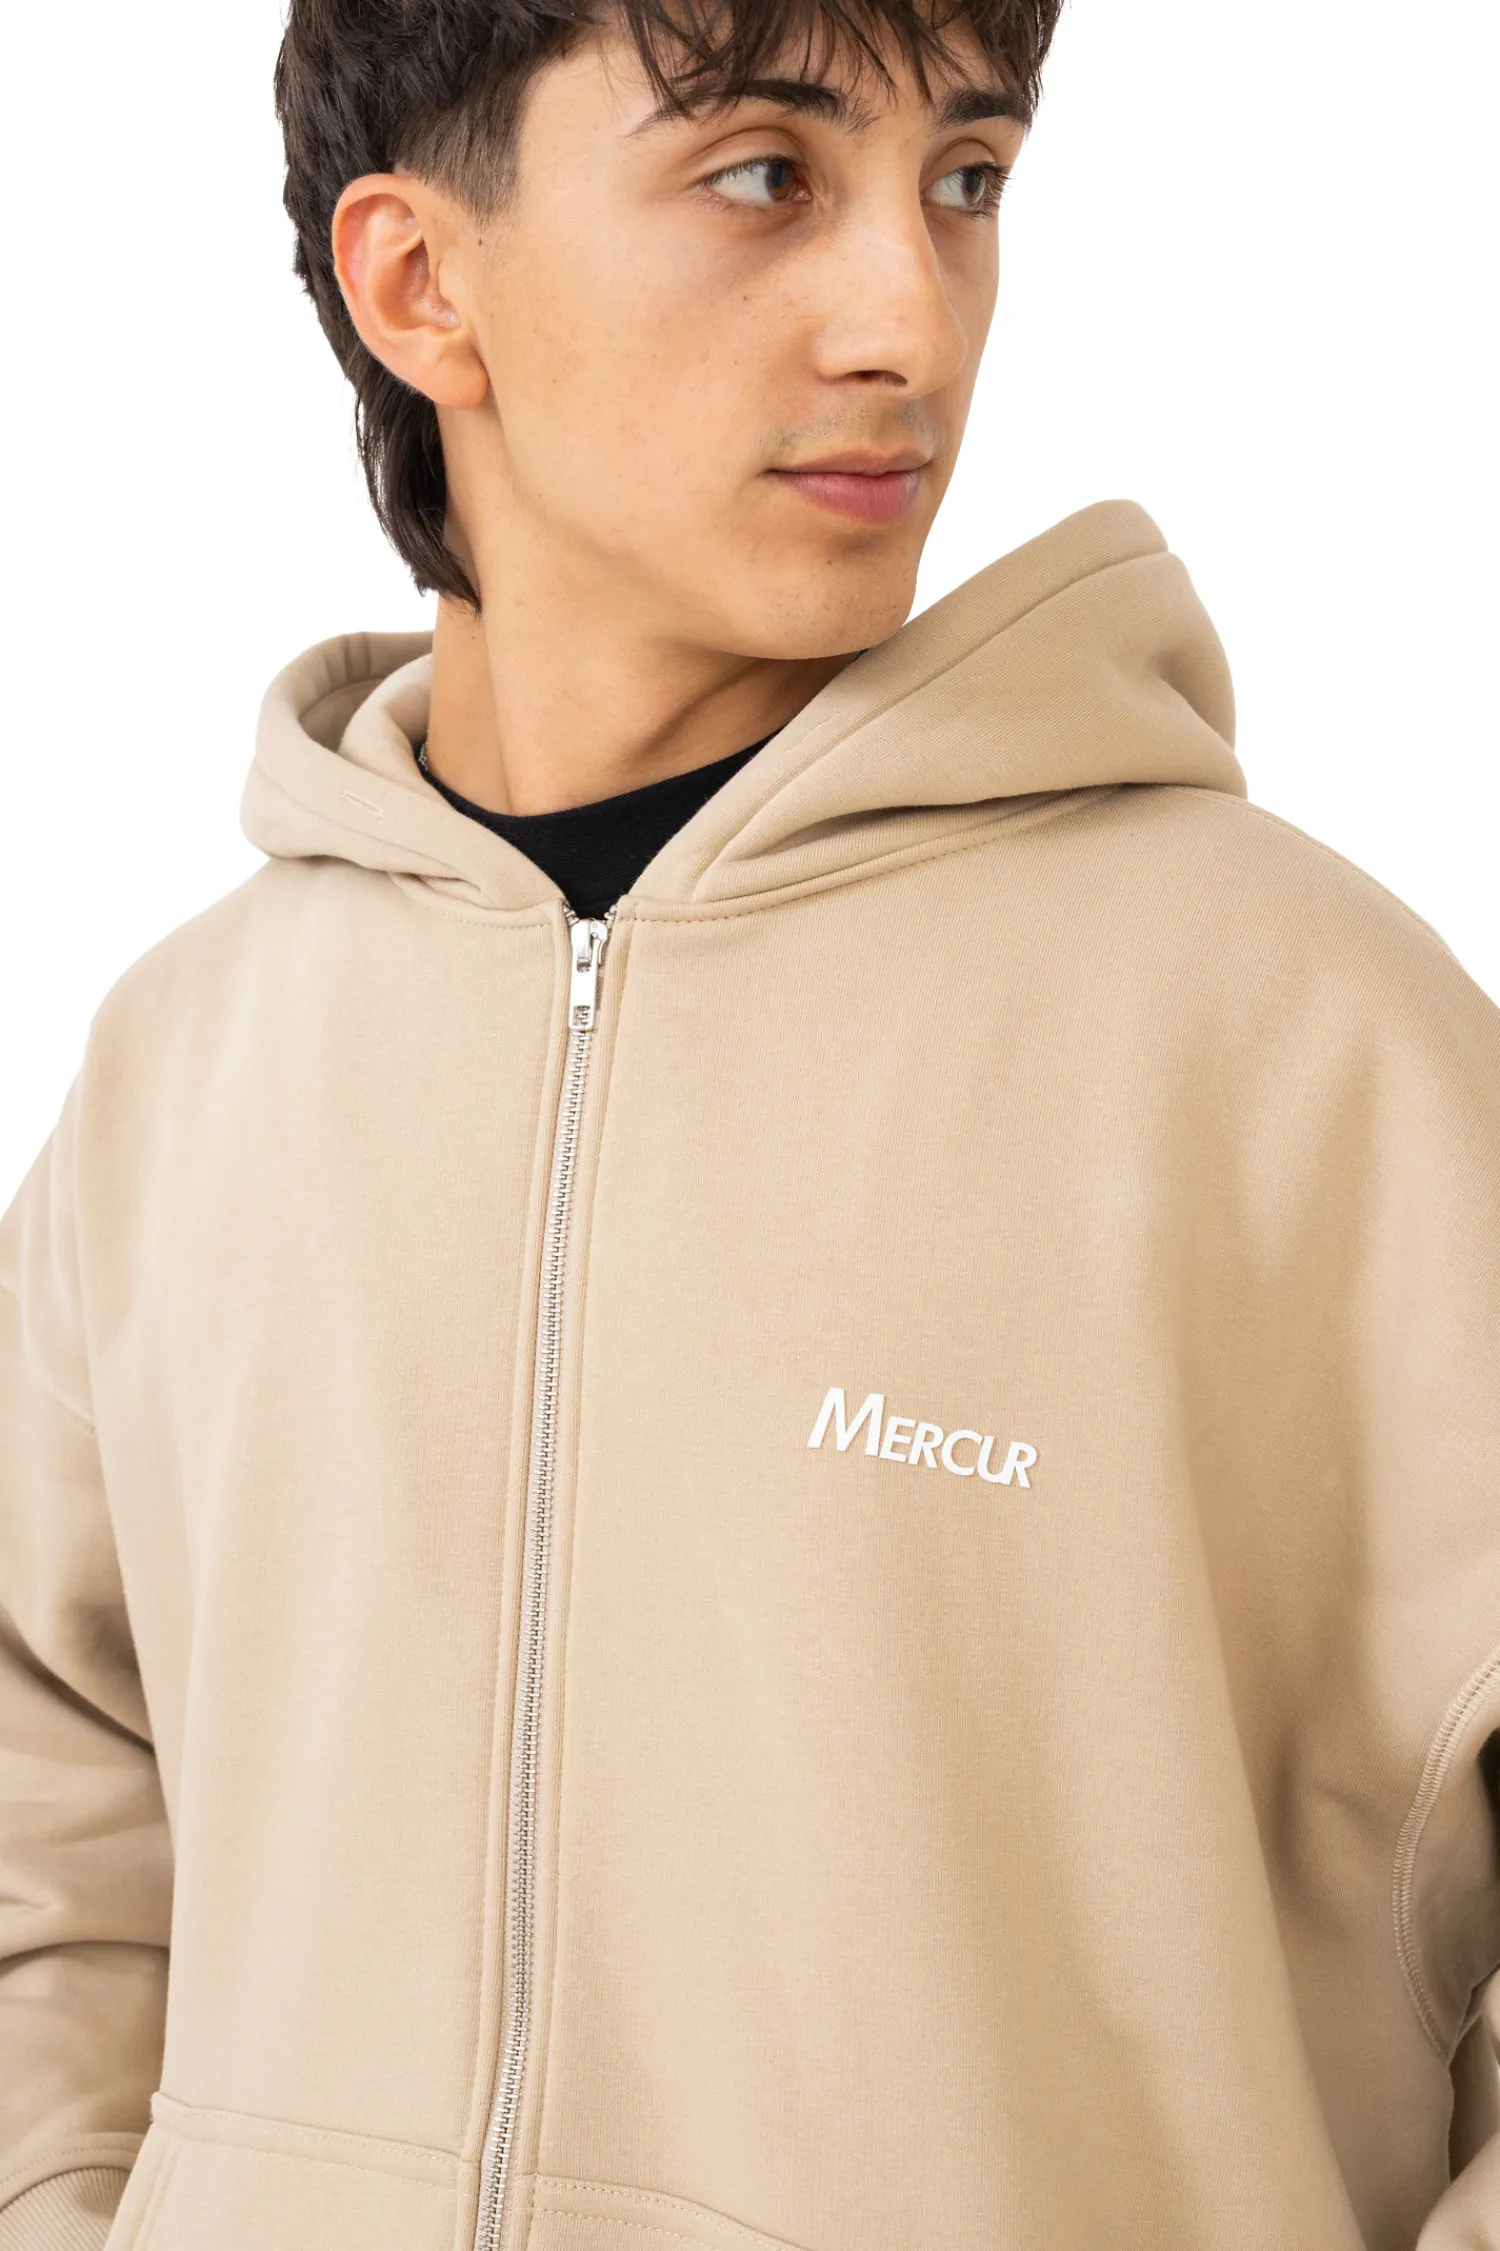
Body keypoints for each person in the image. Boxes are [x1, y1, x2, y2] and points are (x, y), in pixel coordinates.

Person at [2, 0, 1499, 2245]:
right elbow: (49, 1801)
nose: (913, 319)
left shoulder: (1310, 1045)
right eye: (766, 177)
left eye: (966, 183)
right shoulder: (185, 1070)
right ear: (421, 282)